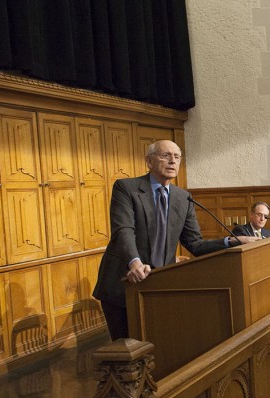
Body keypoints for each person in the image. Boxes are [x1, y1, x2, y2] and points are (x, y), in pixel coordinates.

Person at [93, 140, 256, 340]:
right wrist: (134, 262)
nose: (172, 161)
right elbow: (123, 231)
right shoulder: (127, 188)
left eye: (177, 157)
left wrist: (232, 241)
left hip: (161, 286)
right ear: (149, 161)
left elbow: (195, 244)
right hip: (125, 284)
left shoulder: (183, 198)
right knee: (126, 353)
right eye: (165, 155)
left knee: (160, 347)